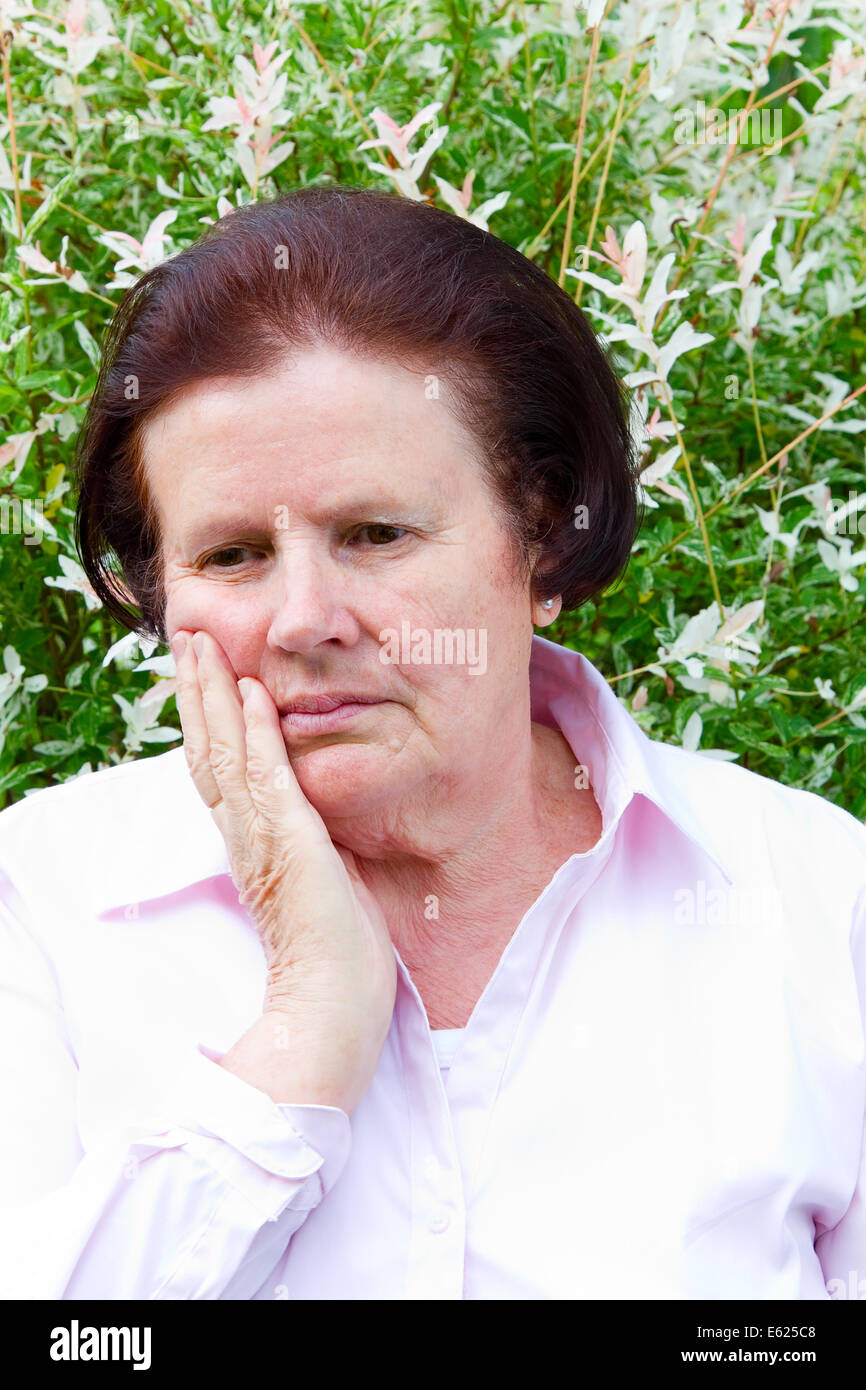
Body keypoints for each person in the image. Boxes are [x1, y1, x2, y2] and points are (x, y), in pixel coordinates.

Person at [0, 187, 864, 1300]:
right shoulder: (43, 911)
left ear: (540, 539)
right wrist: (304, 1028)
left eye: (374, 534)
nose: (304, 616)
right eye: (230, 555)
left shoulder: (811, 899)